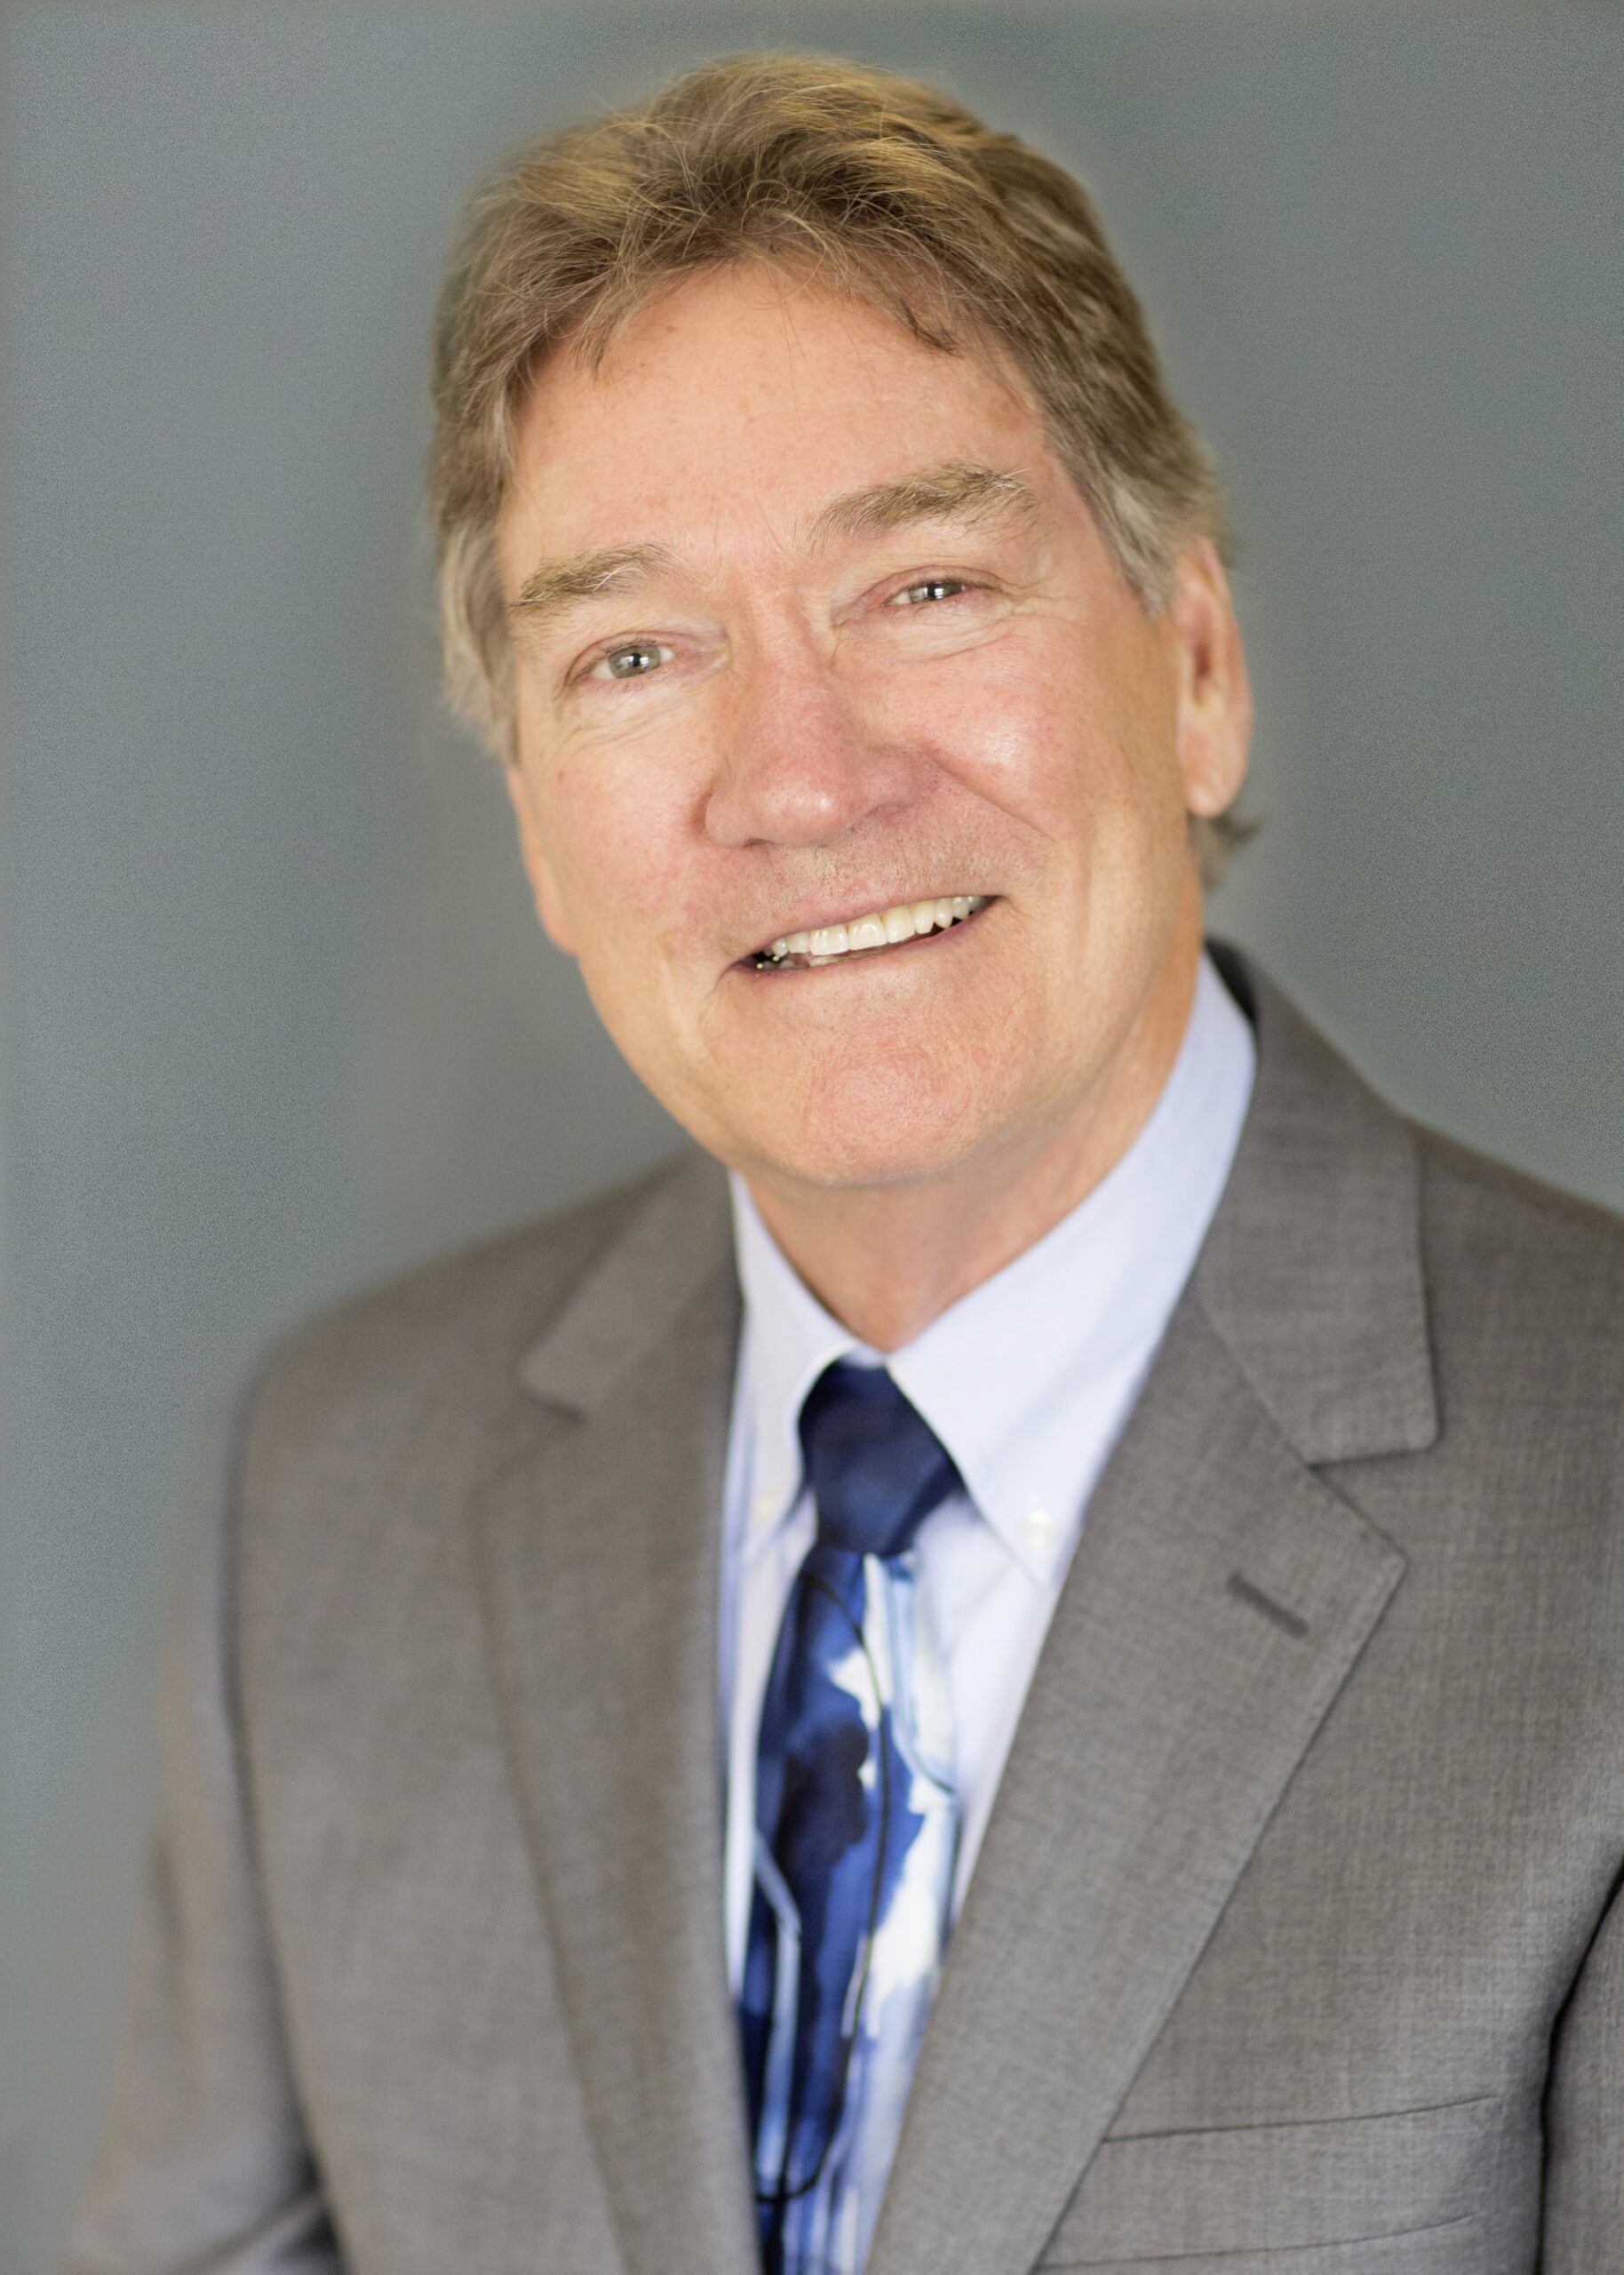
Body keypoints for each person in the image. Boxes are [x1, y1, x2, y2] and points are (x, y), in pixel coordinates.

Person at [70, 52, 1622, 2275]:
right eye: (631, 652)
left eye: (920, 588)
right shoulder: (325, 1508)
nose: (794, 778)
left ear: (1191, 665)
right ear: (533, 823)